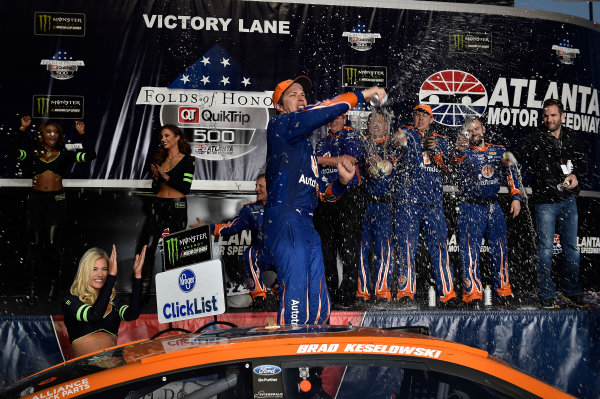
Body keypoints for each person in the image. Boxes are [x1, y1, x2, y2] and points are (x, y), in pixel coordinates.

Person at [264, 75, 385, 325]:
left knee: (319, 299)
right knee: (296, 294)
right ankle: (292, 356)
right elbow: (324, 110)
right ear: (278, 106)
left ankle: (316, 358)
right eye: (293, 95)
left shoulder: (306, 148)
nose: (301, 98)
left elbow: (323, 195)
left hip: (307, 225)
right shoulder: (280, 126)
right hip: (287, 220)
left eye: (303, 95)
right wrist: (363, 94)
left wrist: (341, 182)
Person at [12, 115, 96, 305]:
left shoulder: (64, 154)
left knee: (51, 244)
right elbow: (12, 151)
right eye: (48, 131)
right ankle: (32, 289)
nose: (52, 134)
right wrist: (22, 129)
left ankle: (53, 285)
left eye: (55, 132)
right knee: (34, 244)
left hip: (57, 201)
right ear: (41, 134)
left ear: (59, 136)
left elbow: (90, 155)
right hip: (35, 200)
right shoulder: (33, 153)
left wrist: (83, 135)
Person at [513, 98, 587, 309]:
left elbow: (583, 164)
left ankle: (571, 291)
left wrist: (575, 175)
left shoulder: (573, 138)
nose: (549, 119)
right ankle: (546, 293)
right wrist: (508, 159)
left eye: (553, 115)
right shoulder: (535, 138)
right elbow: (515, 157)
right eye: (546, 115)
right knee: (545, 249)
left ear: (562, 117)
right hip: (545, 203)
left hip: (568, 200)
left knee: (571, 249)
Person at [390, 104, 459, 308]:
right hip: (408, 201)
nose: (420, 118)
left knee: (440, 248)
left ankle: (447, 293)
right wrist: (398, 140)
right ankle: (405, 293)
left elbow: (449, 166)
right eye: (417, 114)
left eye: (424, 115)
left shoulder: (442, 140)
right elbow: (395, 141)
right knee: (406, 248)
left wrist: (436, 151)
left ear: (432, 119)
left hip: (433, 203)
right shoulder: (408, 133)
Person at [451, 116, 521, 309]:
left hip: (493, 205)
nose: (474, 133)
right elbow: (453, 162)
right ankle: (472, 292)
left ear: (483, 129)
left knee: (500, 249)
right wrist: (459, 148)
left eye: (477, 129)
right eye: (470, 130)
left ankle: (503, 289)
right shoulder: (463, 151)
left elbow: (512, 172)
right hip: (470, 206)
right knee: (470, 251)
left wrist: (516, 197)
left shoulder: (498, 150)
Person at [190, 174, 277, 308]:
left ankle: (279, 289)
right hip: (263, 254)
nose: (256, 189)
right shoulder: (250, 209)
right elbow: (231, 227)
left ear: (271, 187)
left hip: (283, 254)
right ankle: (259, 296)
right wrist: (209, 227)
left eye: (261, 186)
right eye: (256, 185)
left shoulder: (285, 207)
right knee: (249, 253)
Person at [137, 124, 195, 301]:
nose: (163, 139)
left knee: (174, 250)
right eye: (161, 136)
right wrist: (156, 178)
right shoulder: (159, 160)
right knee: (148, 247)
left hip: (177, 207)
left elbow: (186, 188)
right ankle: (143, 293)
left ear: (177, 137)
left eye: (167, 135)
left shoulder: (188, 160)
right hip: (158, 206)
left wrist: (166, 177)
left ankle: (172, 293)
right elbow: (156, 189)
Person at [313, 113, 365, 307]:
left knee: (349, 248)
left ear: (344, 119)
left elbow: (349, 160)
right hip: (325, 199)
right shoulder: (322, 143)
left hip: (349, 197)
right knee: (327, 248)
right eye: (330, 118)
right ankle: (330, 292)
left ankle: (347, 295)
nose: (333, 121)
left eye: (337, 118)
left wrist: (319, 160)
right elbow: (317, 166)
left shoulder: (351, 135)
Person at [63, 245, 147, 358]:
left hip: (112, 369)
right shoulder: (70, 301)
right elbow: (94, 315)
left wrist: (137, 275)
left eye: (105, 269)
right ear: (85, 271)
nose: (100, 274)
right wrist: (112, 277)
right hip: (86, 370)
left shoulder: (115, 302)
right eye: (94, 269)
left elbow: (132, 314)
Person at [357, 111, 395, 305]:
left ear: (386, 126)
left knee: (383, 248)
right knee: (361, 248)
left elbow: (386, 167)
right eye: (372, 122)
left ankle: (382, 290)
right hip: (364, 204)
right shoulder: (362, 144)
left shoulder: (392, 144)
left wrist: (379, 165)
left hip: (385, 204)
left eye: (379, 122)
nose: (376, 125)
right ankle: (362, 291)